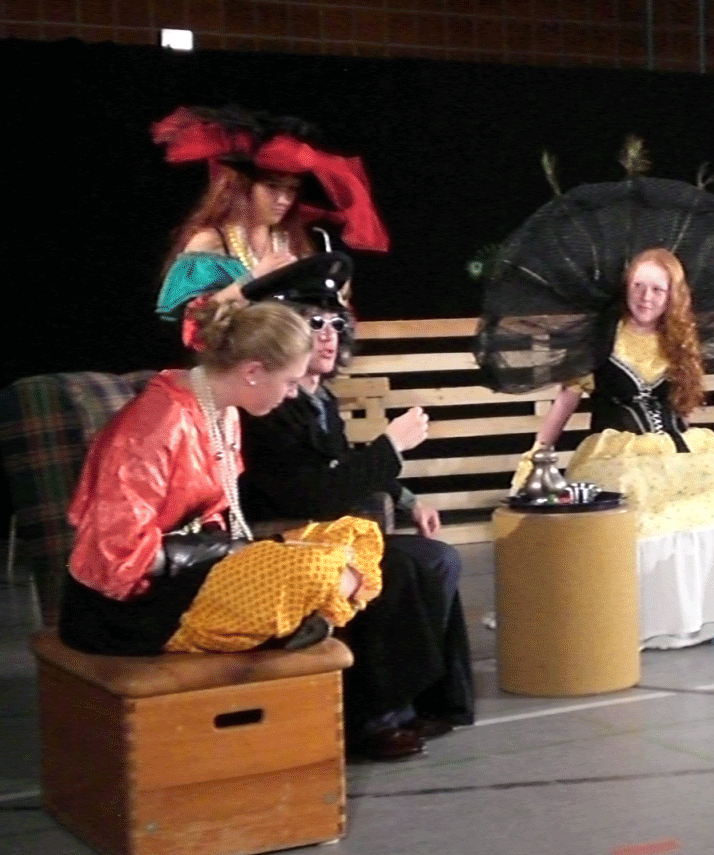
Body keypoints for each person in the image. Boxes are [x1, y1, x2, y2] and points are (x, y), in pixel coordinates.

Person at [522, 247, 714, 648]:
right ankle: (657, 615)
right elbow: (566, 401)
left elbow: (681, 410)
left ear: (672, 295)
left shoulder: (679, 339)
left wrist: (689, 462)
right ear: (626, 287)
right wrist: (537, 455)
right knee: (645, 515)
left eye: (658, 289)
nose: (646, 297)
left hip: (677, 447)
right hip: (618, 453)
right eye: (639, 286)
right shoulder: (600, 338)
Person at [238, 276, 475, 761]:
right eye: (314, 324)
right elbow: (315, 492)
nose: (328, 336)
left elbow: (342, 463)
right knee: (396, 567)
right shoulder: (270, 403)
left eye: (335, 324)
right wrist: (391, 446)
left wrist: (408, 499)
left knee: (439, 559)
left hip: (326, 526)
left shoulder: (320, 398)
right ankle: (374, 718)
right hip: (281, 531)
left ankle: (429, 700)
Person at [61, 300, 383, 658]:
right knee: (316, 567)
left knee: (358, 534)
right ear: (253, 371)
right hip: (136, 607)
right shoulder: (154, 425)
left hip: (200, 572)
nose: (293, 394)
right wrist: (235, 555)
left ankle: (305, 613)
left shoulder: (225, 412)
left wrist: (245, 555)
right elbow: (113, 556)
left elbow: (216, 520)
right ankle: (308, 612)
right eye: (290, 382)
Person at [151, 105, 388, 333]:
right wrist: (253, 280)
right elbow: (195, 325)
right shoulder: (212, 242)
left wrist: (333, 297)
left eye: (291, 189)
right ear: (243, 187)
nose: (284, 199)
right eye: (272, 187)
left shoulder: (294, 241)